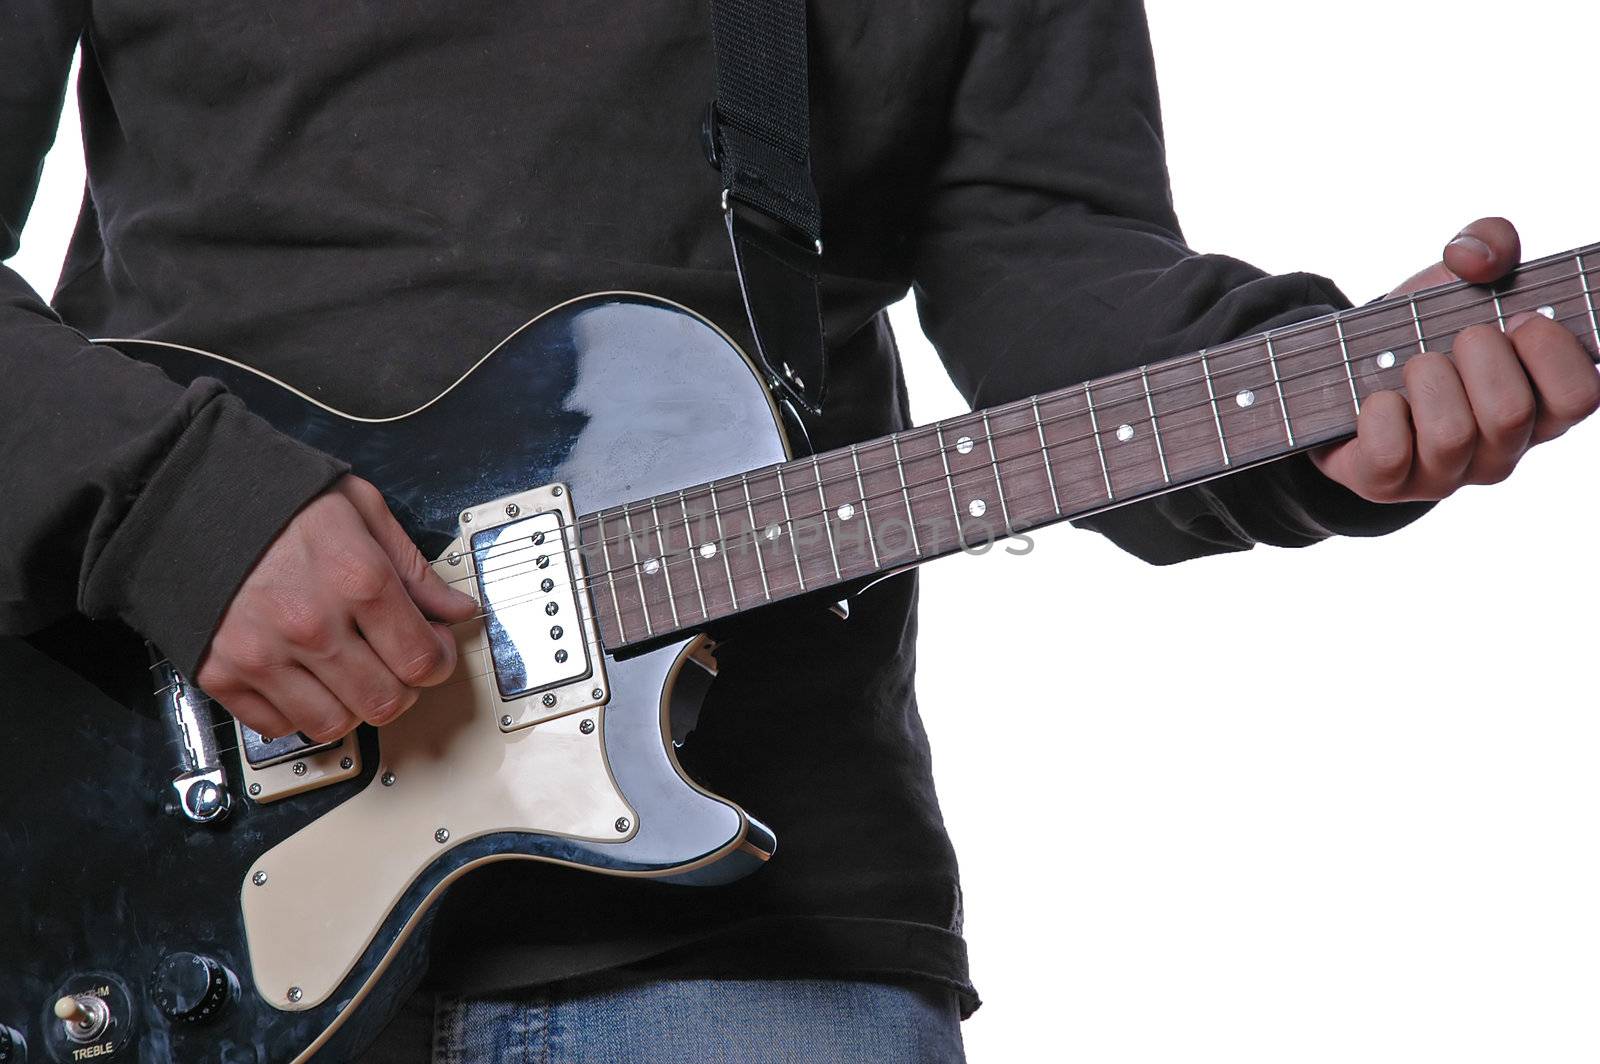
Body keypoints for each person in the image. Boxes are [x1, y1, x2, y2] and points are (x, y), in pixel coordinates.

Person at [3, 2, 1595, 1061]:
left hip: (756, 915)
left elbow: (1051, 255)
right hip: (133, 849)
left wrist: (1323, 402)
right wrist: (168, 506)